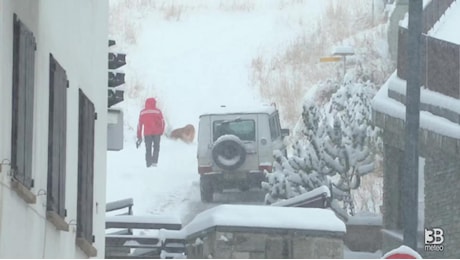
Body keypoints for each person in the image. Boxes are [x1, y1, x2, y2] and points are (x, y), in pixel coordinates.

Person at [137, 97, 165, 167]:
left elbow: (139, 125)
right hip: (157, 133)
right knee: (156, 148)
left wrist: (139, 135)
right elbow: (162, 122)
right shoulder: (158, 111)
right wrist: (161, 131)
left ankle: (148, 163)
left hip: (147, 133)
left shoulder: (142, 112)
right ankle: (154, 162)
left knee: (148, 149)